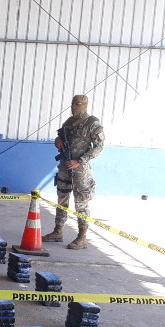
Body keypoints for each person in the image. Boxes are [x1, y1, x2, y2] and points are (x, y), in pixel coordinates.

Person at [42, 95, 105, 250]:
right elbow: (60, 138)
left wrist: (80, 161)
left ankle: (82, 237)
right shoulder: (68, 122)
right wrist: (57, 141)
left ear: (85, 105)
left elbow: (99, 147)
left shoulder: (92, 123)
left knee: (81, 202)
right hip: (64, 165)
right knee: (62, 198)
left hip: (80, 169)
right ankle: (58, 231)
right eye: (73, 104)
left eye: (77, 104)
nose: (74, 107)